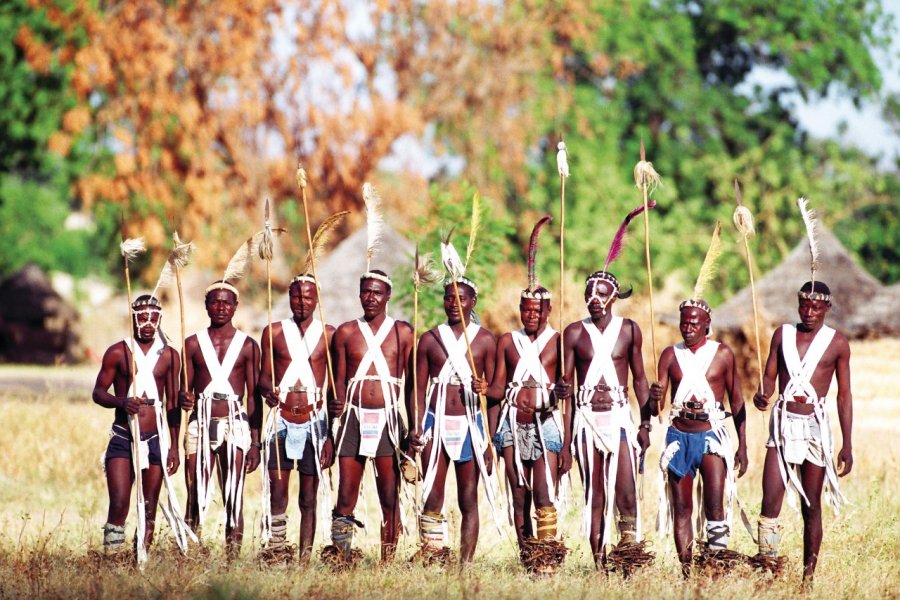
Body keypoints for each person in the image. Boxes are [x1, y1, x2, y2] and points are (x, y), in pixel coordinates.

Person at [753, 280, 852, 583]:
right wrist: (763, 393)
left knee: (811, 505)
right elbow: (769, 376)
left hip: (814, 427)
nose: (809, 312)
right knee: (770, 502)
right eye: (804, 306)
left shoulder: (837, 343)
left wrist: (847, 444)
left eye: (816, 307)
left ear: (827, 308)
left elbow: (844, 395)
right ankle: (769, 571)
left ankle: (807, 579)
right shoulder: (782, 335)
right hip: (783, 423)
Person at [559, 271, 652, 569]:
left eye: (600, 294)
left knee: (626, 492)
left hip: (619, 418)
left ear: (614, 296)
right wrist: (565, 443)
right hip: (586, 421)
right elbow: (568, 390)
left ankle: (627, 560)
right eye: (589, 294)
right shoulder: (573, 333)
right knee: (595, 495)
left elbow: (639, 380)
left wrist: (646, 423)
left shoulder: (629, 331)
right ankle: (599, 565)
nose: (593, 300)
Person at [651, 299, 748, 576]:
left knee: (715, 506)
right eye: (684, 322)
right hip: (679, 436)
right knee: (682, 508)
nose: (688, 327)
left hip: (711, 436)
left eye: (694, 323)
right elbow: (656, 409)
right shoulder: (670, 355)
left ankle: (715, 568)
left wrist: (743, 444)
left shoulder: (723, 354)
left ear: (707, 324)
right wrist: (653, 398)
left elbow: (738, 400)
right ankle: (686, 571)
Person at [92, 294, 193, 561]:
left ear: (160, 318)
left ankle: (141, 559)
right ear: (133, 318)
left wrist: (173, 446)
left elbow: (172, 402)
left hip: (157, 437)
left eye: (153, 317)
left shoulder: (170, 356)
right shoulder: (118, 352)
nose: (148, 323)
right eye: (142, 317)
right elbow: (98, 393)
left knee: (149, 506)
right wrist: (121, 401)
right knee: (120, 501)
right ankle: (112, 559)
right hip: (124, 436)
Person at [326, 269, 414, 565]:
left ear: (388, 295)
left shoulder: (403, 333)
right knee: (346, 493)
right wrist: (333, 415)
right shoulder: (346, 332)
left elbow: (413, 385)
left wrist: (413, 430)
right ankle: (341, 556)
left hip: (388, 418)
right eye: (365, 292)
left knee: (389, 495)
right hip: (353, 418)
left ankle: (387, 562)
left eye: (377, 292)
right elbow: (337, 381)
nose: (370, 298)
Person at [410, 273, 496, 564]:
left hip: (470, 424)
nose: (454, 303)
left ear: (473, 301)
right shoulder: (430, 339)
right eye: (448, 297)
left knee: (467, 498)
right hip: (436, 423)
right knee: (432, 495)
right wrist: (416, 426)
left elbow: (495, 393)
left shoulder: (484, 341)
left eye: (461, 298)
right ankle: (433, 557)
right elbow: (418, 389)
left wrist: (490, 443)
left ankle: (464, 565)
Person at [488, 284, 570, 570]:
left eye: (537, 310)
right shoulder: (508, 341)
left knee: (545, 494)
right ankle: (528, 560)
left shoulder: (559, 341)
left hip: (546, 422)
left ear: (548, 311)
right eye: (525, 309)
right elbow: (498, 388)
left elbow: (568, 394)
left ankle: (546, 559)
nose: (530, 314)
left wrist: (568, 445)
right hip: (512, 423)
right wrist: (484, 390)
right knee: (519, 493)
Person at [181, 281, 262, 559]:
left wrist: (255, 442)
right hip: (200, 423)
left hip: (235, 423)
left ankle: (233, 559)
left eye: (227, 302)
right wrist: (185, 399)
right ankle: (189, 553)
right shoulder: (192, 344)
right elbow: (185, 389)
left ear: (236, 307)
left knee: (233, 495)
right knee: (195, 493)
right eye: (215, 302)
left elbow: (253, 397)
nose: (221, 307)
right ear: (206, 306)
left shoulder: (248, 346)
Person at [258, 275, 335, 564]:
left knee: (308, 497)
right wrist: (268, 391)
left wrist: (331, 434)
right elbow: (263, 377)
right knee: (277, 493)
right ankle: (277, 550)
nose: (301, 302)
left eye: (307, 297)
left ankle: (304, 559)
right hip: (281, 418)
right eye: (295, 296)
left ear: (317, 299)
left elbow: (335, 386)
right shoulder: (273, 332)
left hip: (314, 420)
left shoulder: (328, 333)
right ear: (288, 297)